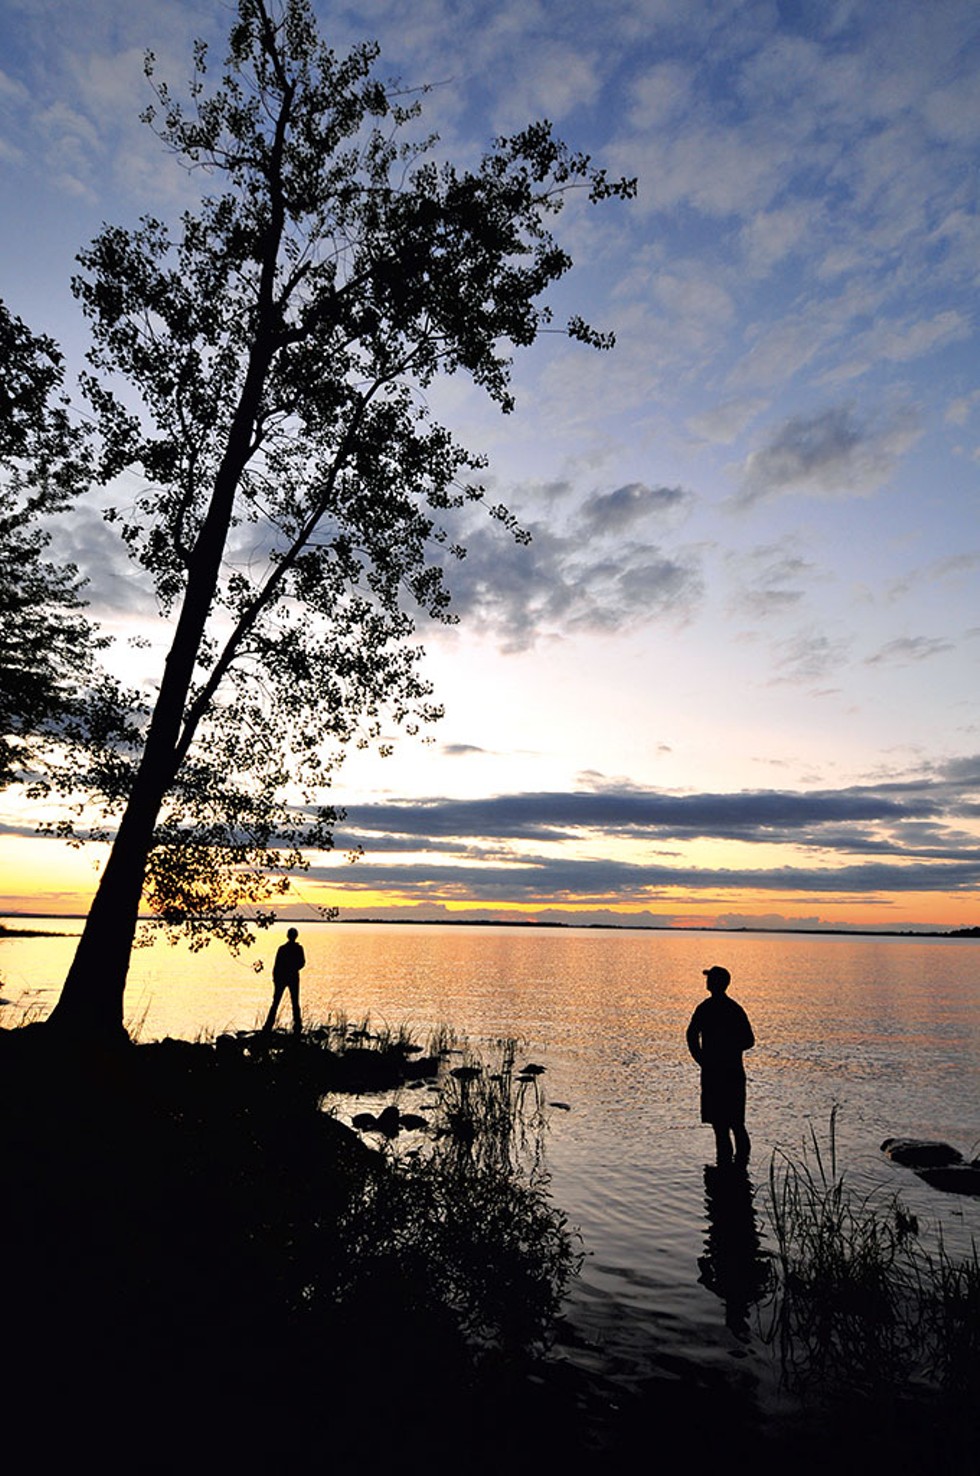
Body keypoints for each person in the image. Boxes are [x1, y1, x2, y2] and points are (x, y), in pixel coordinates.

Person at [686, 965, 755, 1166]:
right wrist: (701, 1059)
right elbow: (748, 1041)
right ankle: (737, 1169)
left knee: (726, 1126)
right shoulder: (732, 1009)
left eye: (710, 979)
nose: (706, 982)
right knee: (732, 1125)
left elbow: (748, 1041)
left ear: (716, 983)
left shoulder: (708, 1008)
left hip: (721, 1073)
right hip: (726, 1073)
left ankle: (733, 1167)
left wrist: (703, 1058)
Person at [263, 926, 305, 1035]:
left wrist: (276, 977)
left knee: (279, 1002)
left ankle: (269, 1025)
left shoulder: (285, 948)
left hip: (285, 977)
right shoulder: (294, 948)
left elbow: (278, 965)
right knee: (292, 1002)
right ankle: (297, 1025)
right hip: (288, 977)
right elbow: (301, 963)